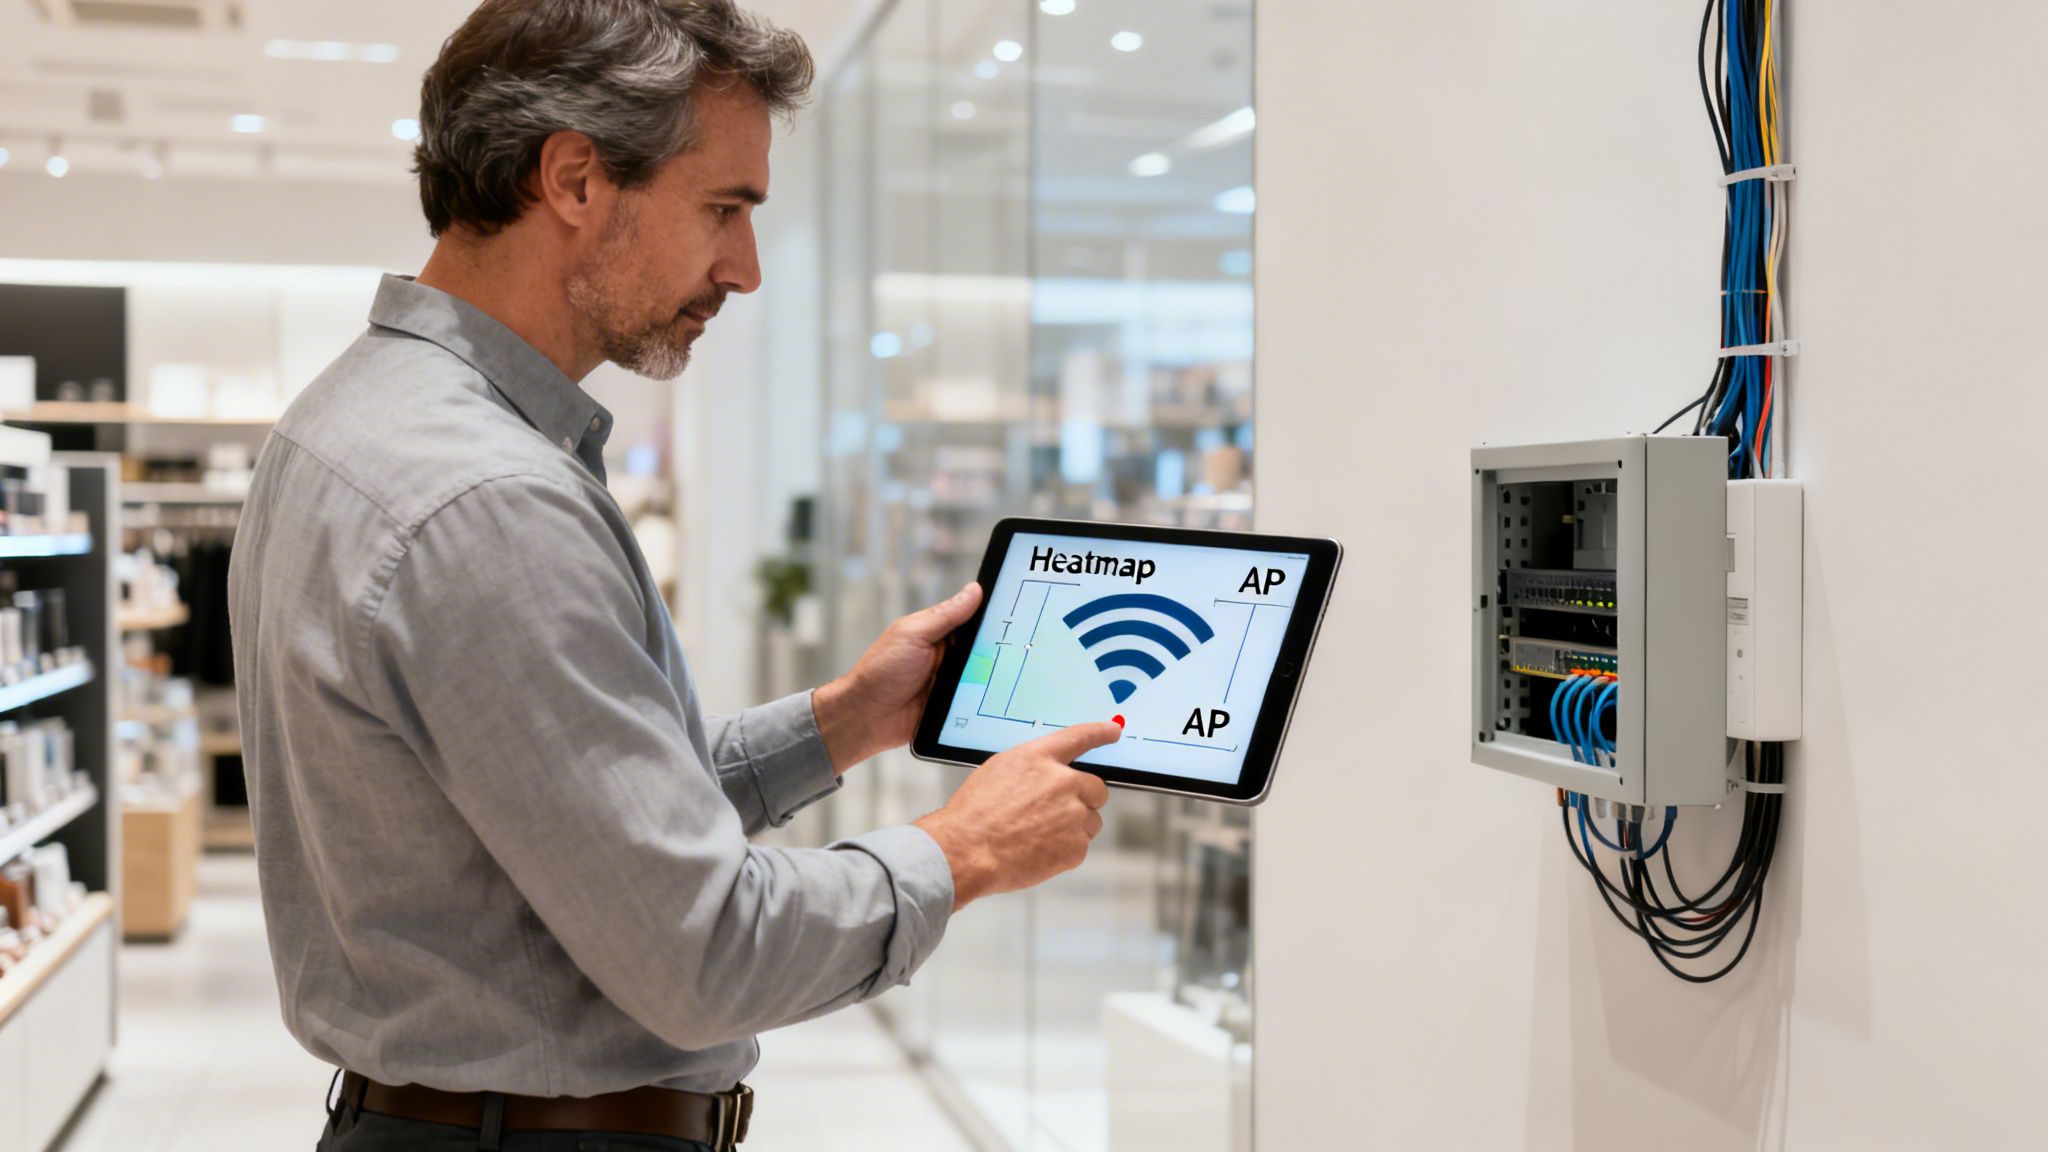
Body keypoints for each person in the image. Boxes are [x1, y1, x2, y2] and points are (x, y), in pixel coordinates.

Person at [227, 2, 1119, 1149]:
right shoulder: (489, 499)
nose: (742, 270)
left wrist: (841, 722)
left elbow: (568, 822)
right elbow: (701, 951)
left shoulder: (354, 417)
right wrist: (963, 850)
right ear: (575, 180)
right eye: (723, 209)